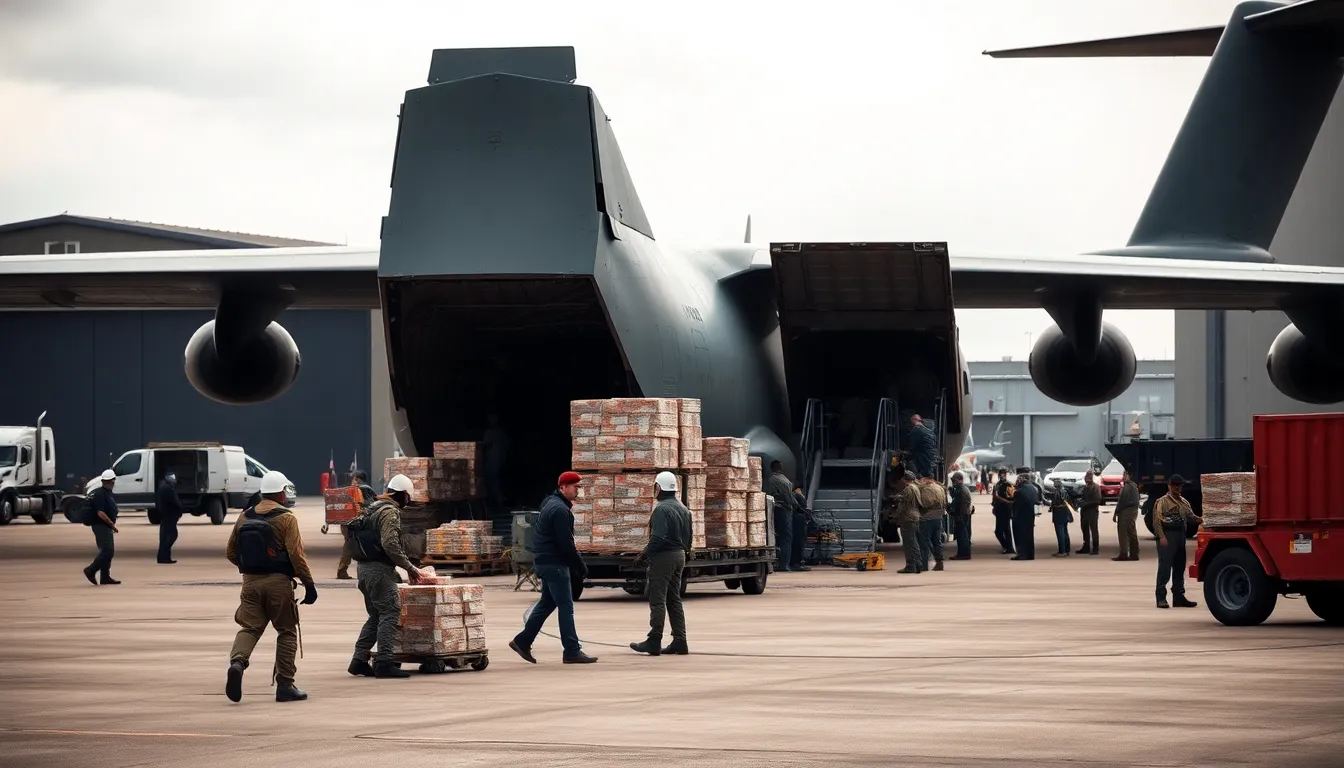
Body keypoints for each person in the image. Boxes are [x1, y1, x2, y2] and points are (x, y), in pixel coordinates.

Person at [224, 470, 315, 703]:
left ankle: (237, 663)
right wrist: (308, 583)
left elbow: (231, 552)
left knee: (250, 628)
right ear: (282, 493)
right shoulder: (287, 518)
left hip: (250, 583)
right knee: (286, 630)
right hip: (278, 583)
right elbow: (296, 556)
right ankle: (285, 685)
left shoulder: (245, 516)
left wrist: (250, 568)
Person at [510, 471, 598, 664]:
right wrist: (579, 566)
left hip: (544, 562)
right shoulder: (559, 510)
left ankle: (522, 641)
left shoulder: (551, 504)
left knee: (547, 603)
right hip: (555, 564)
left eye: (579, 487)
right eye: (575, 487)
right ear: (563, 487)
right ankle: (572, 651)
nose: (577, 491)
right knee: (566, 607)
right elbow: (565, 543)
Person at [343, 473, 423, 678]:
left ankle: (359, 660)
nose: (409, 501)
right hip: (379, 570)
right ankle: (385, 663)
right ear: (403, 495)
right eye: (408, 497)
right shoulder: (389, 512)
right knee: (390, 612)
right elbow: (390, 543)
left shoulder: (372, 508)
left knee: (376, 615)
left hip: (364, 569)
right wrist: (410, 568)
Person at [630, 471, 693, 656]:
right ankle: (680, 640)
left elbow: (657, 538)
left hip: (664, 557)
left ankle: (654, 640)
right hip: (680, 555)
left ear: (658, 488)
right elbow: (690, 538)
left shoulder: (661, 509)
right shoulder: (684, 508)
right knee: (674, 600)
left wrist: (643, 556)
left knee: (657, 599)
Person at [1154, 474, 1202, 609]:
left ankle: (1179, 597)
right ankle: (1161, 598)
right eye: (1175, 485)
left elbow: (1191, 517)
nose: (1178, 488)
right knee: (1165, 568)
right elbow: (1157, 521)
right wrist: (1162, 537)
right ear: (1169, 486)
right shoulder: (1162, 502)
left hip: (1181, 537)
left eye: (1180, 485)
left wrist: (1204, 519)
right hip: (1168, 537)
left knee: (1179, 568)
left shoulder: (1184, 502)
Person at [336, 470, 378, 580]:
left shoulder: (362, 490)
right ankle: (343, 570)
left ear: (357, 479)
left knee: (350, 546)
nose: (351, 480)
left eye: (353, 478)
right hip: (353, 523)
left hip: (353, 523)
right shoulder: (363, 490)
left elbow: (368, 505)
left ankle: (343, 570)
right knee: (351, 546)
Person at [83, 469, 120, 585]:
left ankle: (105, 577)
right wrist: (112, 525)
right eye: (113, 481)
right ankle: (90, 570)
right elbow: (100, 512)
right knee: (108, 551)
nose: (114, 484)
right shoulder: (100, 494)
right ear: (110, 481)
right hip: (101, 526)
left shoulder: (107, 492)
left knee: (107, 551)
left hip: (105, 526)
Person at [764, 460, 798, 571]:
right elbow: (790, 499)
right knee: (786, 537)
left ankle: (779, 562)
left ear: (772, 468)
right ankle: (784, 564)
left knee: (777, 536)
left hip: (775, 509)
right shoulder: (785, 480)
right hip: (785, 510)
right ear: (780, 468)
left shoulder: (771, 480)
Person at [893, 472, 924, 573]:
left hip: (907, 518)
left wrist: (896, 515)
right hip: (915, 517)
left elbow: (904, 505)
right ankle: (918, 564)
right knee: (914, 541)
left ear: (905, 479)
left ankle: (910, 565)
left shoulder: (909, 489)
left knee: (908, 543)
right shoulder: (916, 487)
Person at [916, 474, 947, 571]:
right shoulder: (940, 488)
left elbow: (926, 503)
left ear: (926, 479)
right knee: (937, 541)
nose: (920, 481)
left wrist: (918, 505)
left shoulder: (926, 489)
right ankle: (939, 562)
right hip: (938, 518)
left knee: (924, 542)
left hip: (927, 518)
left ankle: (924, 565)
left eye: (921, 479)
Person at [155, 472, 184, 564]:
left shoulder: (164, 487)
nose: (175, 481)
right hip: (169, 516)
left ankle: (164, 557)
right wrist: (180, 510)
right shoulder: (168, 489)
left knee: (165, 536)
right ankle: (164, 557)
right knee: (170, 536)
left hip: (165, 515)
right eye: (174, 479)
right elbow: (175, 502)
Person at [1112, 470, 1142, 561]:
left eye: (1125, 474)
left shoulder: (1128, 486)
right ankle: (1134, 553)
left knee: (1123, 532)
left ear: (1130, 476)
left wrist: (1116, 512)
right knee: (1131, 532)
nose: (1123, 476)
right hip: (1131, 511)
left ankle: (1124, 553)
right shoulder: (1134, 486)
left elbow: (1122, 501)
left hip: (1126, 512)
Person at [1010, 472, 1039, 561]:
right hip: (1030, 516)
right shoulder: (1033, 488)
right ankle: (1030, 554)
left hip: (1020, 517)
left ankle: (1022, 554)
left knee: (1020, 536)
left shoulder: (1020, 491)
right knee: (1029, 536)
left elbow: (1016, 504)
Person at [948, 472, 974, 560]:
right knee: (961, 536)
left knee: (963, 536)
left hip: (962, 516)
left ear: (960, 480)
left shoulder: (962, 490)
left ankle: (964, 554)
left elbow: (964, 504)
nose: (953, 482)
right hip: (962, 515)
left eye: (954, 480)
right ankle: (962, 553)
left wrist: (960, 516)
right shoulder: (960, 489)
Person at [1077, 471, 1102, 555]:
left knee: (1093, 530)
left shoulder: (1096, 487)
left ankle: (1095, 548)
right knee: (1084, 529)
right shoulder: (1085, 487)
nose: (1087, 479)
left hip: (1092, 511)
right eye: (1086, 477)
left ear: (1092, 478)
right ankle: (1086, 547)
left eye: (1088, 477)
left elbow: (1098, 500)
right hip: (1084, 511)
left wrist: (1086, 503)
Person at [992, 471, 1016, 555]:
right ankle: (1007, 547)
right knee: (999, 531)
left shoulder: (1009, 485)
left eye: (1003, 475)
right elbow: (994, 497)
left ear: (1005, 475)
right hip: (998, 510)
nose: (1001, 476)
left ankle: (1009, 548)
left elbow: (1011, 499)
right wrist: (994, 506)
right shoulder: (997, 484)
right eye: (1000, 475)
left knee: (1006, 530)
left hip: (1006, 510)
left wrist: (999, 498)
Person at [1049, 478, 1074, 557]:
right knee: (1065, 531)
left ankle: (1062, 551)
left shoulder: (1057, 492)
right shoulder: (1065, 491)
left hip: (1059, 512)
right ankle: (1067, 550)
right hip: (1065, 511)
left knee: (1060, 533)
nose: (1053, 484)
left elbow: (1055, 502)